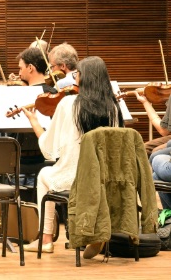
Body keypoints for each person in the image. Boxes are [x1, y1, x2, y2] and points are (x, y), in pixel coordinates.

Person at [20, 56, 123, 257]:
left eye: (77, 74)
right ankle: (97, 231)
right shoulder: (113, 107)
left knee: (44, 174)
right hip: (106, 178)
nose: (74, 77)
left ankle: (46, 239)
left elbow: (48, 148)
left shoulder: (69, 104)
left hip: (77, 179)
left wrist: (34, 122)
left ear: (83, 77)